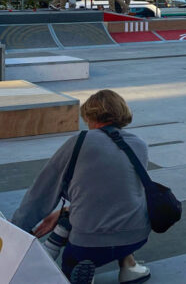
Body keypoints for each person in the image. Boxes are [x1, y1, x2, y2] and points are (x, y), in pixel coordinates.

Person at [12, 89, 151, 283]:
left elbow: (42, 191)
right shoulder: (140, 145)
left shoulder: (80, 141)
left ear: (90, 115)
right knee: (120, 206)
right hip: (136, 236)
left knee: (73, 259)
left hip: (88, 243)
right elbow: (119, 193)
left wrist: (16, 231)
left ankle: (79, 267)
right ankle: (129, 268)